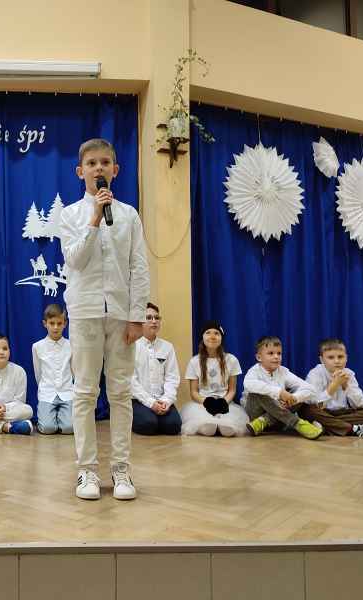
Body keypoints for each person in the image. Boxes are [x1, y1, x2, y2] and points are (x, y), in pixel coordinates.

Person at [59, 138, 150, 501]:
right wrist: (95, 219)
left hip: (121, 314)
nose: (99, 168)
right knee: (84, 392)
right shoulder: (70, 215)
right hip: (84, 312)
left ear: (116, 170)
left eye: (105, 162)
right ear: (80, 172)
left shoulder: (128, 214)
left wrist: (137, 316)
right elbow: (75, 261)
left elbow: (139, 267)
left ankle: (121, 469)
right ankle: (87, 471)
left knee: (121, 393)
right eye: (92, 163)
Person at [242, 336, 322, 439]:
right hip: (254, 416)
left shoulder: (283, 371)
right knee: (257, 392)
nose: (276, 357)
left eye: (279, 353)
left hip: (277, 420)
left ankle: (264, 421)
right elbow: (248, 384)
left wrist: (294, 398)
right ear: (259, 357)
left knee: (297, 396)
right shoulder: (254, 371)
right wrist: (279, 392)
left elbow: (310, 389)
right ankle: (298, 424)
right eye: (271, 353)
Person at [302, 338, 363, 438]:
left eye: (340, 357)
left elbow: (362, 404)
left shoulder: (349, 374)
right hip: (323, 412)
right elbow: (316, 404)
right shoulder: (315, 373)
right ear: (322, 360)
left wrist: (347, 387)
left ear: (346, 358)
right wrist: (334, 385)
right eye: (331, 357)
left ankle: (326, 427)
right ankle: (355, 429)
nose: (337, 361)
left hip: (342, 413)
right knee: (307, 410)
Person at [180, 321, 248, 437]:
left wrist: (223, 402)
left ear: (221, 338)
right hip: (202, 403)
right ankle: (208, 425)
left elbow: (232, 390)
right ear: (202, 337)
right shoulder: (194, 361)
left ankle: (224, 426)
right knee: (205, 424)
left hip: (224, 402)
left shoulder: (231, 360)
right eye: (208, 333)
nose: (212, 336)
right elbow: (194, 392)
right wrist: (207, 402)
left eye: (216, 333)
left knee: (229, 426)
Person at [130, 302, 181, 436]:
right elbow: (131, 381)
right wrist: (151, 403)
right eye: (149, 318)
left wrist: (166, 401)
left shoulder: (167, 347)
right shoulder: (132, 346)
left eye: (157, 318)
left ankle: (159, 417)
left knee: (174, 426)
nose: (154, 321)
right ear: (140, 322)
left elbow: (172, 378)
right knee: (148, 424)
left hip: (161, 398)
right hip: (139, 399)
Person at [32, 303, 73, 434]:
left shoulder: (71, 345)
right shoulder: (37, 347)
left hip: (67, 393)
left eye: (59, 323)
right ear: (45, 324)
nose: (55, 327)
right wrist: (44, 388)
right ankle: (50, 418)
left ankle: (63, 417)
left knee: (69, 428)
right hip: (47, 393)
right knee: (47, 428)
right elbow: (38, 373)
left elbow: (74, 371)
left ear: (65, 324)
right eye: (52, 323)